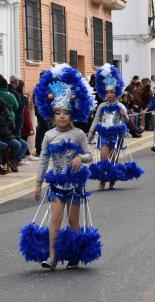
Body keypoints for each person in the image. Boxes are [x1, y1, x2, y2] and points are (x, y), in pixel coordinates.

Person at [32, 64, 97, 270]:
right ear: (52, 115)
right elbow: (43, 159)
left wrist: (81, 158)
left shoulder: (78, 134)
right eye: (58, 112)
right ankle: (52, 256)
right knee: (55, 220)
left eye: (66, 112)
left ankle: (74, 254)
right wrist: (37, 184)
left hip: (75, 184)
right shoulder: (49, 135)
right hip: (57, 184)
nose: (62, 116)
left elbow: (89, 155)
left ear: (72, 114)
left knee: (73, 221)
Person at [88, 63, 136, 190]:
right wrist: (91, 131)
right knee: (104, 158)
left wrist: (124, 115)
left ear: (116, 92)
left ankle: (112, 181)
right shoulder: (102, 106)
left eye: (111, 92)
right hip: (104, 135)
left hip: (116, 136)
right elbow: (97, 118)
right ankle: (102, 181)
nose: (109, 94)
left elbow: (126, 121)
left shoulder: (120, 106)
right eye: (107, 92)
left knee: (113, 159)